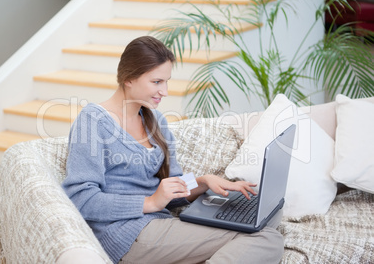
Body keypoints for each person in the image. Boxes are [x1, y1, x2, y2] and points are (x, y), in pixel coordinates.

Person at [62, 36, 284, 264]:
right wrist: (149, 202)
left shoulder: (156, 121)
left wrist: (204, 182)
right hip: (127, 233)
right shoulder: (93, 121)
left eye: (166, 82)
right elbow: (80, 199)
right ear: (129, 78)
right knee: (267, 238)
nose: (165, 91)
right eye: (157, 82)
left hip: (161, 224)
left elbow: (173, 189)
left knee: (269, 216)